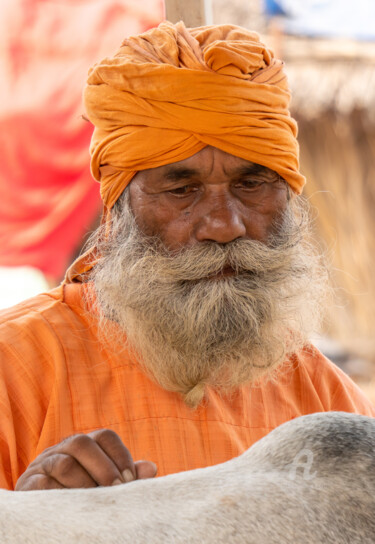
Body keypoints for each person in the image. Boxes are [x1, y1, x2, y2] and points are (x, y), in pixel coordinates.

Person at [0, 21, 374, 492]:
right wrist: (26, 520)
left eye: (252, 184)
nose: (224, 225)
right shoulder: (14, 368)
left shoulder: (325, 396)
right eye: (181, 189)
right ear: (118, 213)